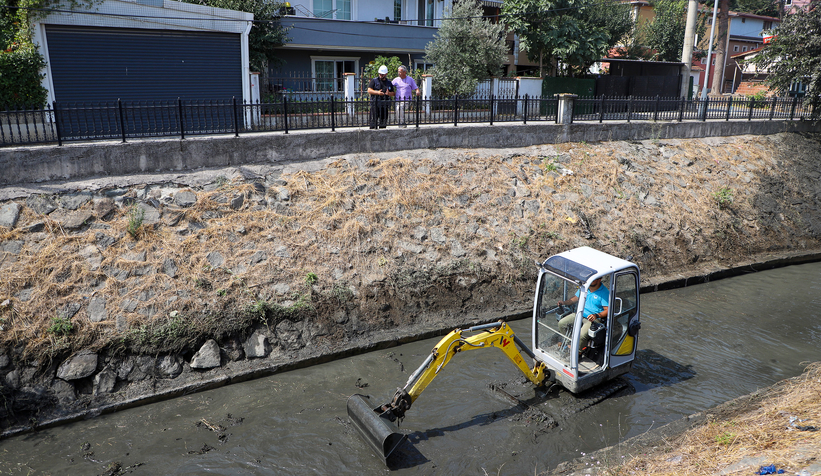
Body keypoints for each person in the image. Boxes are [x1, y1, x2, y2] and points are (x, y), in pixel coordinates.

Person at [557, 276, 609, 350]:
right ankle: (569, 342)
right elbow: (575, 298)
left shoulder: (604, 293)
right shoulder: (585, 287)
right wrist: (564, 302)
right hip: (579, 313)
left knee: (581, 335)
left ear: (599, 280)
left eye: (592, 280)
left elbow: (607, 310)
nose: (589, 281)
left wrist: (597, 315)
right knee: (561, 323)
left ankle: (578, 351)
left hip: (592, 318)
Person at [367, 65, 395, 129]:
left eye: (382, 74)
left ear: (386, 74)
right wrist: (378, 93)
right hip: (375, 104)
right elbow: (369, 90)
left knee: (383, 123)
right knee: (373, 122)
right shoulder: (374, 81)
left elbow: (393, 93)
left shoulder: (389, 82)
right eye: (380, 74)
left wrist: (389, 93)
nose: (380, 75)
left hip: (384, 105)